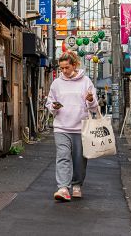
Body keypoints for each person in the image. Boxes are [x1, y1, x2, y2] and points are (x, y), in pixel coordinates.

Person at [46, 51, 98, 202]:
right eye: (61, 68)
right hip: (61, 127)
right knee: (62, 157)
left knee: (79, 160)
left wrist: (90, 100)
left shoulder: (86, 82)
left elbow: (94, 107)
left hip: (80, 127)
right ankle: (63, 188)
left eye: (66, 67)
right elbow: (50, 103)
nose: (64, 71)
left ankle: (76, 185)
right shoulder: (56, 83)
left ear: (74, 65)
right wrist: (54, 106)